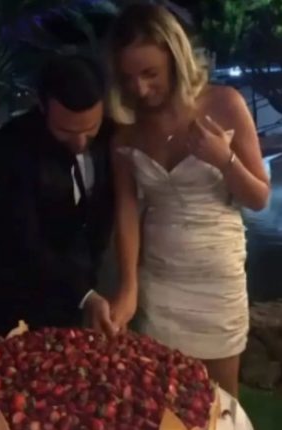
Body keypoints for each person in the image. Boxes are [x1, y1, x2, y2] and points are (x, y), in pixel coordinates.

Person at [106, 4, 269, 398]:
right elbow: (126, 213)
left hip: (217, 283)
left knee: (221, 403)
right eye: (128, 78)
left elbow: (259, 198)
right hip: (159, 284)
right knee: (160, 399)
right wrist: (128, 286)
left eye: (150, 74)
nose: (139, 89)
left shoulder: (225, 104)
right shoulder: (125, 132)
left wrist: (224, 160)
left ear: (176, 59)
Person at [0, 54, 119, 340]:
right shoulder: (9, 148)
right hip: (13, 291)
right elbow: (22, 235)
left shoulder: (112, 138)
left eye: (90, 129)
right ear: (42, 106)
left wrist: (88, 289)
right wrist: (85, 294)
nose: (80, 142)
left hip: (75, 291)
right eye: (66, 131)